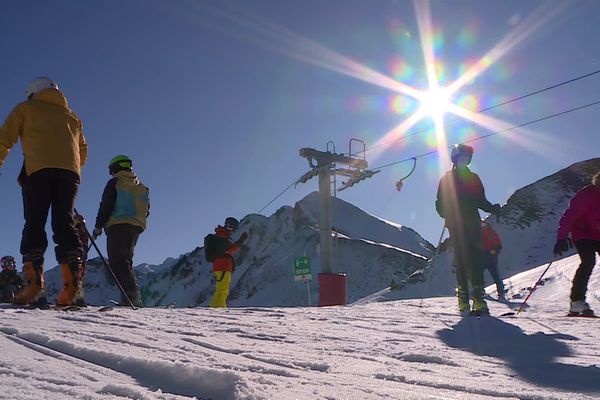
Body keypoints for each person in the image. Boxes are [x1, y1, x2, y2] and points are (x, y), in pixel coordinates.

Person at [0, 77, 87, 307]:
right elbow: (82, 151)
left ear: (33, 93)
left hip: (38, 172)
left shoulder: (26, 108)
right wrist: (68, 167)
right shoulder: (73, 117)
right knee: (64, 223)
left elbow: (5, 138)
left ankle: (34, 286)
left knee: (35, 222)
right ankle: (74, 287)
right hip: (70, 175)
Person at [436, 144, 501, 314]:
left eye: (466, 159)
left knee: (477, 261)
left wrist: (492, 208)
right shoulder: (446, 180)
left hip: (472, 223)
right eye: (461, 159)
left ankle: (478, 300)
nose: (464, 162)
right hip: (456, 225)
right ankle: (463, 300)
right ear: (455, 160)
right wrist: (446, 212)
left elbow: (480, 200)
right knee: (463, 261)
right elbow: (440, 203)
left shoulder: (474, 178)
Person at [93, 155, 149, 307]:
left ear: (114, 168)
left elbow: (106, 205)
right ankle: (131, 297)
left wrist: (98, 226)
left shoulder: (115, 183)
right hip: (135, 227)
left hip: (118, 224)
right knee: (126, 260)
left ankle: (131, 297)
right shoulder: (141, 187)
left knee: (117, 261)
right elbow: (146, 209)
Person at [554, 171, 600, 316]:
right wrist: (562, 237)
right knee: (588, 261)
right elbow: (570, 214)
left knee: (588, 262)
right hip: (583, 233)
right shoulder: (588, 194)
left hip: (598, 234)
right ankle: (577, 302)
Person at [208, 217, 248, 308]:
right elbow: (228, 250)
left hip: (222, 266)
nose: (231, 230)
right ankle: (218, 309)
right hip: (222, 266)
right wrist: (241, 241)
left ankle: (217, 308)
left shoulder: (222, 235)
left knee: (222, 289)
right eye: (230, 227)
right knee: (222, 290)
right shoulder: (221, 235)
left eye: (232, 228)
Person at [481, 221, 506, 299]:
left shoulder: (489, 233)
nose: (482, 227)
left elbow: (498, 246)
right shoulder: (489, 233)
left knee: (493, 274)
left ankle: (500, 292)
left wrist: (492, 252)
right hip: (487, 255)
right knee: (493, 274)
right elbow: (498, 246)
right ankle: (500, 292)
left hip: (489, 256)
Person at [73, 213, 89, 306]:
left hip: (77, 256)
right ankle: (79, 298)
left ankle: (76, 297)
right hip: (82, 257)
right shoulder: (84, 231)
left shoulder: (76, 231)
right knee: (79, 277)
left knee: (75, 275)